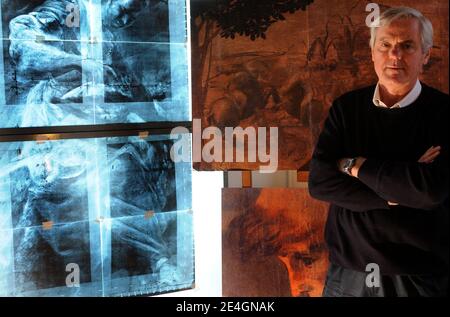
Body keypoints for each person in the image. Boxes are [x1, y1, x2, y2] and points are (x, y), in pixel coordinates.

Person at [308, 7, 448, 297]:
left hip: (419, 278)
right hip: (348, 274)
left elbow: (430, 191)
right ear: (372, 51)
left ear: (425, 55)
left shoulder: (445, 113)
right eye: (385, 45)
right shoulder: (346, 109)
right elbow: (320, 182)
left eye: (407, 46)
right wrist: (398, 189)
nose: (395, 55)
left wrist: (355, 165)